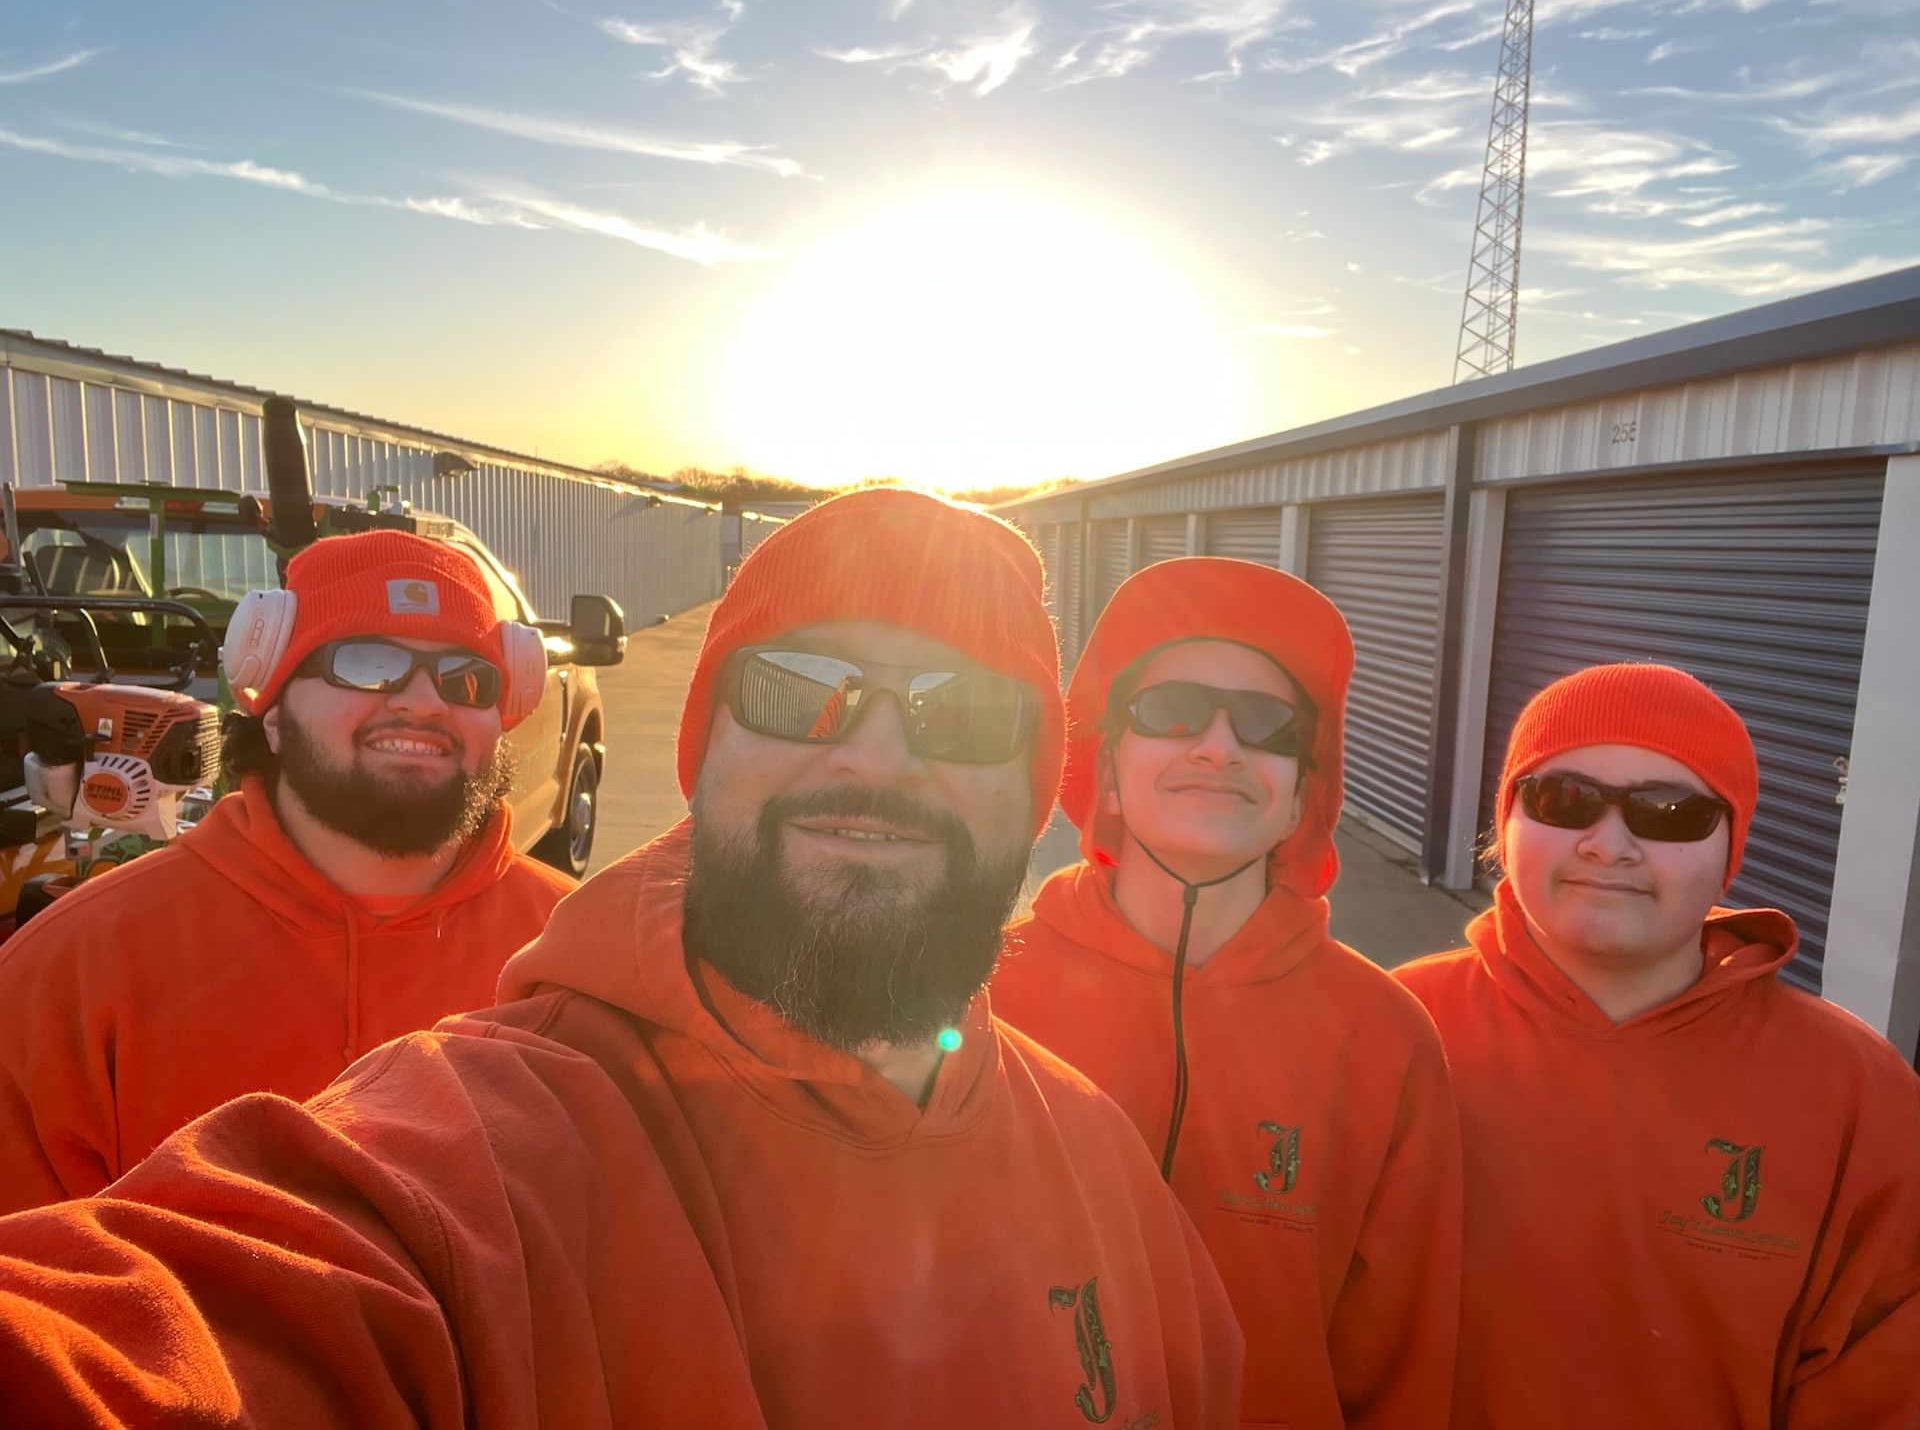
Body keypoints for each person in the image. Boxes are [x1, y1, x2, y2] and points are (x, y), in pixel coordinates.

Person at [0, 489, 1244, 1428]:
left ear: (1036, 791)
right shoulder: (490, 1138)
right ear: (702, 763)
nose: (873, 754)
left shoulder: (1097, 1158)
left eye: (961, 710)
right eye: (799, 687)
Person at [993, 556, 1462, 1430]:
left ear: (1299, 802)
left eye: (1265, 725)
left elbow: (1403, 1361)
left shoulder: (1383, 1038)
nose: (1218, 746)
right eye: (1170, 713)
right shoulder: (982, 995)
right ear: (1107, 769)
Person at [1393, 662, 1920, 1428]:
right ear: (1506, 825)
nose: (1608, 845)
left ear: (1731, 848)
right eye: (1563, 800)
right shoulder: (1394, 1025)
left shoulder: (1859, 1092)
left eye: (1668, 811)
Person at [0, 529, 574, 1212]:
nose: (425, 702)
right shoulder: (76, 969)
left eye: (466, 678)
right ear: (269, 711)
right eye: (366, 663)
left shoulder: (574, 959)